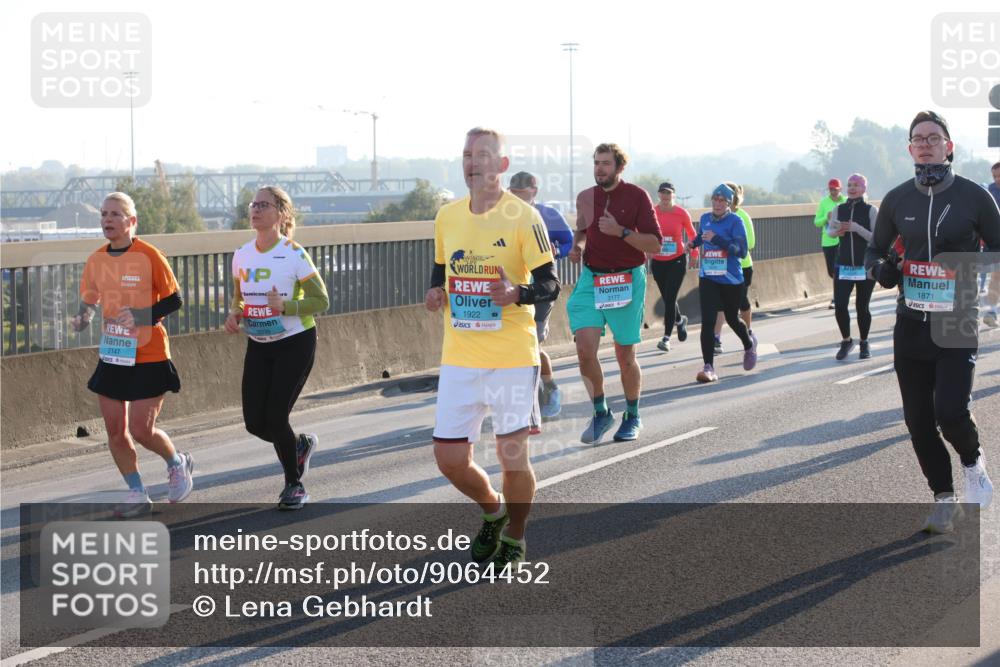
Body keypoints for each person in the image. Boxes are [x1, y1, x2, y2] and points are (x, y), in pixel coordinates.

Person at [425, 128, 559, 568]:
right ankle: (492, 509)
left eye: (483, 154)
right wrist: (434, 292)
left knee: (512, 457)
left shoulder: (523, 217)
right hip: (460, 356)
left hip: (510, 358)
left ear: (501, 165)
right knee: (448, 459)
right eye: (467, 154)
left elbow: (550, 283)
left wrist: (517, 293)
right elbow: (441, 267)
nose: (473, 162)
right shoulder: (447, 216)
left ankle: (516, 537)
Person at [865, 110, 999, 532]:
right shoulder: (897, 199)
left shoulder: (975, 196)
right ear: (910, 149)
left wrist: (964, 265)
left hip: (957, 319)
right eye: (918, 138)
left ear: (949, 145)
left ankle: (974, 466)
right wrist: (880, 270)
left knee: (951, 412)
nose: (925, 143)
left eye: (934, 137)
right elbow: (874, 252)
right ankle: (944, 498)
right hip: (911, 321)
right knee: (918, 420)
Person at [70, 192, 193, 518]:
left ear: (131, 221)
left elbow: (174, 300)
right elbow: (89, 301)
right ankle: (137, 491)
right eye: (104, 214)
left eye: (115, 214)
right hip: (114, 352)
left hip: (149, 352)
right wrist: (83, 318)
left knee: (141, 429)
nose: (107, 220)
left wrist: (140, 316)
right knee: (115, 431)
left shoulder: (149, 255)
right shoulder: (96, 259)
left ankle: (176, 462)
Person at [225, 186, 329, 511]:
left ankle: (294, 485)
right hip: (258, 344)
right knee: (255, 423)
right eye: (253, 204)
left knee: (276, 414)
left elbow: (321, 301)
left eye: (264, 205)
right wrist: (235, 313)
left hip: (295, 342)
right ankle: (297, 444)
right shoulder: (241, 254)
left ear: (280, 214)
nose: (255, 210)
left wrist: (285, 306)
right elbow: (239, 296)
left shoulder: (294, 253)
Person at [567, 144, 662, 443]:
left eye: (606, 164)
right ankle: (601, 412)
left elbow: (655, 244)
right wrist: (577, 247)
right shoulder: (585, 197)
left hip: (626, 279)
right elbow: (582, 230)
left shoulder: (637, 196)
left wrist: (621, 231)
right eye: (596, 163)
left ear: (619, 167)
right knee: (584, 350)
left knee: (625, 355)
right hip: (591, 279)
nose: (599, 169)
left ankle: (632, 415)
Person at [509, 171, 573, 418]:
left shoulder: (548, 215)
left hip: (541, 290)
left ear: (534, 192)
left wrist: (557, 251)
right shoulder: (504, 217)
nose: (514, 198)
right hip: (514, 291)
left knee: (532, 342)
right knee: (518, 344)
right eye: (511, 193)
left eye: (520, 194)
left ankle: (550, 389)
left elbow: (570, 242)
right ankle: (530, 394)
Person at [687, 184, 758, 383]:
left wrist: (718, 239)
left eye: (722, 200)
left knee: (732, 318)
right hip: (708, 276)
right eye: (714, 200)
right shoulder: (705, 219)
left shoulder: (735, 221)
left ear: (728, 203)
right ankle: (708, 367)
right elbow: (702, 236)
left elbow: (741, 250)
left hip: (731, 279)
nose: (717, 204)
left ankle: (748, 344)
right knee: (708, 321)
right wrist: (693, 243)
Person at [829, 174, 878, 360]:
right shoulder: (838, 209)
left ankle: (864, 342)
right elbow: (830, 231)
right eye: (849, 185)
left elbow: (877, 239)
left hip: (864, 266)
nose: (851, 188)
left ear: (864, 188)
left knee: (862, 307)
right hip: (843, 266)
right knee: (840, 305)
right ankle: (847, 340)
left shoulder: (871, 210)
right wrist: (837, 231)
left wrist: (856, 228)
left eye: (856, 185)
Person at [648, 181, 696, 353]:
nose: (666, 196)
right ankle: (679, 320)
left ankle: (666, 338)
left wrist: (694, 254)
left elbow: (692, 234)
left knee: (669, 299)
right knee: (668, 297)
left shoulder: (681, 213)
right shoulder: (652, 212)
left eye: (669, 193)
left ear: (673, 195)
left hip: (677, 260)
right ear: (659, 195)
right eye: (663, 193)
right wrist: (646, 249)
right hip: (659, 262)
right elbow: (644, 231)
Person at [712, 182, 755, 354]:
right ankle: (716, 338)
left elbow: (750, 243)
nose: (720, 200)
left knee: (741, 302)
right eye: (718, 197)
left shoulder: (742, 217)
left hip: (742, 267)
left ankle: (748, 331)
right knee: (720, 304)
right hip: (721, 266)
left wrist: (728, 244)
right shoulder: (715, 217)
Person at [814, 178, 847, 309]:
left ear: (840, 189)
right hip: (828, 241)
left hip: (843, 240)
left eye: (835, 189)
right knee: (831, 271)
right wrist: (825, 218)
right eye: (831, 189)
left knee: (839, 269)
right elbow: (816, 222)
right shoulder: (824, 202)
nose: (833, 192)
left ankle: (837, 297)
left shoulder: (845, 201)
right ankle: (839, 294)